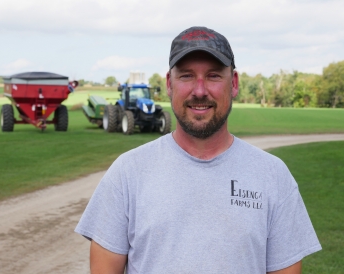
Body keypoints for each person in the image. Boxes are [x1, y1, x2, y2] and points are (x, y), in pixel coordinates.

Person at [75, 26, 321, 274]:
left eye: (213, 75)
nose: (200, 90)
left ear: (233, 84)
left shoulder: (273, 176)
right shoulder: (128, 173)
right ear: (169, 84)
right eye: (186, 76)